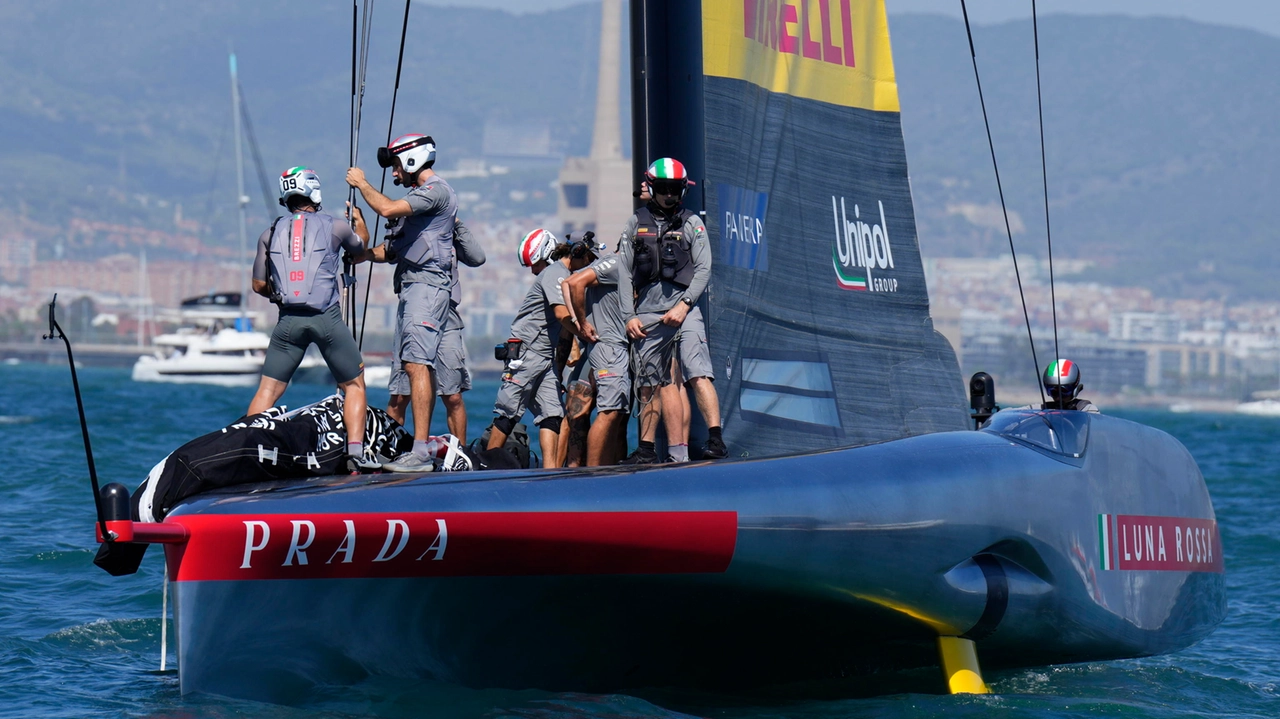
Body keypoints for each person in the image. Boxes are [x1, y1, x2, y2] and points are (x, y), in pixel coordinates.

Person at [246, 167, 377, 472]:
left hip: (288, 322)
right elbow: (360, 252)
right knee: (354, 386)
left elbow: (258, 285)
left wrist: (280, 295)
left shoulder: (270, 231)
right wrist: (360, 223)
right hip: (326, 320)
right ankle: (355, 454)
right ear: (314, 192)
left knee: (268, 390)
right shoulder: (336, 227)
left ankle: (246, 445)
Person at [347, 133, 458, 472]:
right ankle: (397, 448)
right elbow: (391, 252)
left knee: (416, 365)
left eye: (396, 166)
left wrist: (362, 183)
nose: (395, 174)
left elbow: (386, 207)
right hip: (409, 290)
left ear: (412, 160)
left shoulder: (436, 191)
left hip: (427, 289)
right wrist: (362, 252)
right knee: (401, 380)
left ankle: (421, 453)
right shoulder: (417, 204)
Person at [617, 158, 726, 464]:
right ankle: (647, 449)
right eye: (663, 189)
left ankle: (715, 439)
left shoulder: (692, 223)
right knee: (649, 380)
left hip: (684, 309)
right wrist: (629, 315)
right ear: (651, 188)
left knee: (698, 371)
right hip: (647, 313)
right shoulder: (634, 224)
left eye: (674, 189)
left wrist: (684, 305)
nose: (668, 195)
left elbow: (704, 268)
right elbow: (624, 274)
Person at [488, 229, 592, 468]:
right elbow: (561, 314)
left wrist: (574, 342)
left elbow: (562, 321)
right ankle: (487, 464)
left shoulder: (556, 272)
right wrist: (585, 332)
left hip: (545, 355)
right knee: (508, 412)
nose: (533, 270)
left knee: (552, 415)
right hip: (527, 352)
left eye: (534, 264)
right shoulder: (553, 273)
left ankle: (550, 471)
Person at [386, 217, 485, 443]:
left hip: (447, 313)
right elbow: (389, 253)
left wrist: (457, 223)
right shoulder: (409, 225)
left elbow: (477, 258)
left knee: (453, 396)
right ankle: (389, 449)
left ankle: (459, 454)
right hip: (416, 309)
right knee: (400, 396)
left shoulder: (448, 231)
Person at [564, 244, 633, 467]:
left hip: (610, 347)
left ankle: (604, 469)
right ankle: (595, 473)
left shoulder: (607, 265)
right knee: (609, 412)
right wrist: (581, 323)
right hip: (609, 347)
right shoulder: (617, 263)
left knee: (616, 414)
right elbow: (572, 283)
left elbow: (569, 282)